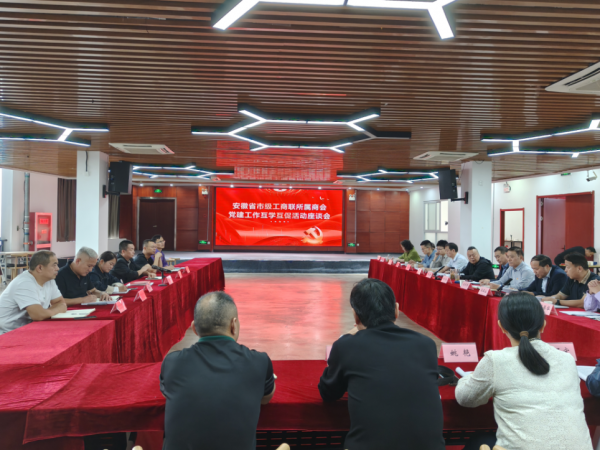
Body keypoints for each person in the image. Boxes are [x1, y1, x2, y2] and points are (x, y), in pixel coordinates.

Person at [318, 278, 445, 450]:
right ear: (396, 310)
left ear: (355, 315)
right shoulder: (426, 344)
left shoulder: (346, 346)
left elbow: (328, 393)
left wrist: (346, 338)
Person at [456, 293, 592, 450]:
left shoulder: (495, 360)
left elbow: (465, 398)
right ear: (543, 325)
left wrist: (468, 378)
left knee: (478, 440)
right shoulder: (567, 359)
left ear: (501, 327)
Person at [160, 291, 275, 450]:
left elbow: (169, 393)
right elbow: (266, 398)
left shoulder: (172, 363)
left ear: (194, 328)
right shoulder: (259, 362)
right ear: (233, 325)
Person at [0, 251, 67, 335]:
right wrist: (58, 309)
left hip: (29, 328)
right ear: (40, 268)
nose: (57, 268)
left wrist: (45, 313)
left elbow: (60, 302)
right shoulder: (24, 283)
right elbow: (38, 315)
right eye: (54, 265)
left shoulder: (49, 280)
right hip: (8, 333)